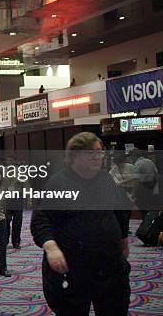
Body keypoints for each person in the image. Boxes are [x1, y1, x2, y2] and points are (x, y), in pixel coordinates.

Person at [31, 132, 132, 315]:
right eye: (90, 152)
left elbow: (120, 212)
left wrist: (123, 241)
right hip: (71, 267)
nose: (97, 156)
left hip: (108, 264)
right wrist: (51, 248)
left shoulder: (107, 180)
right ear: (74, 156)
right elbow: (41, 220)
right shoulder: (58, 183)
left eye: (100, 152)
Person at [131, 149, 158, 220]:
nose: (131, 159)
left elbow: (136, 180)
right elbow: (156, 174)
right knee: (149, 205)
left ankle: (146, 222)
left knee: (142, 207)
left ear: (134, 156)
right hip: (151, 186)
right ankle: (150, 221)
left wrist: (133, 193)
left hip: (142, 188)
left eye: (131, 156)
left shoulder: (137, 164)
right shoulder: (150, 162)